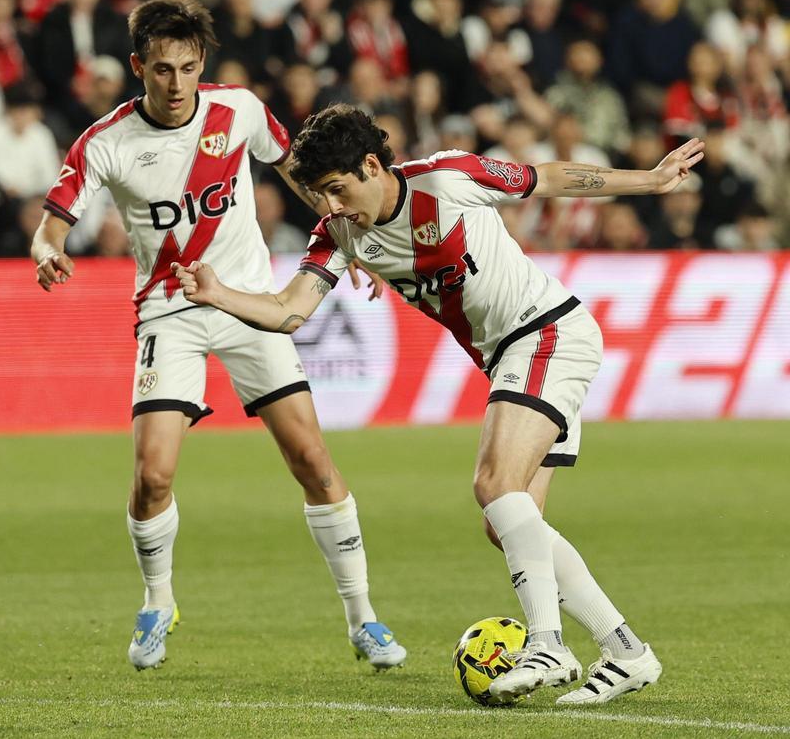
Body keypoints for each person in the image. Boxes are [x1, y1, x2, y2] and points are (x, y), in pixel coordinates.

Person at [173, 104, 705, 705]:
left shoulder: (447, 178)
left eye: (338, 189)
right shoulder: (341, 233)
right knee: (507, 523)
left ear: (372, 164)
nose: (331, 207)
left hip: (547, 331)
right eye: (321, 195)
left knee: (493, 482)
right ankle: (625, 650)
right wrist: (218, 293)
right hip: (515, 356)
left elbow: (544, 178)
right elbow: (290, 310)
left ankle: (548, 644)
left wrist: (650, 180)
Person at [31, 0, 404, 672]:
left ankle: (364, 619)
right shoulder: (105, 141)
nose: (177, 85)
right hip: (168, 313)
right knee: (153, 475)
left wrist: (358, 242)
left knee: (314, 463)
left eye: (190, 68)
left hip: (249, 305)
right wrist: (46, 249)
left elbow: (302, 175)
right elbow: (54, 216)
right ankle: (157, 600)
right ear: (138, 66)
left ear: (204, 65)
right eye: (164, 70)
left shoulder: (240, 110)